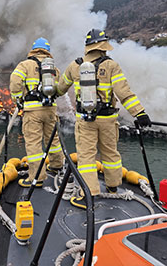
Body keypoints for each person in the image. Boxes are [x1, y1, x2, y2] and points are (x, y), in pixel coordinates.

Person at [57, 29, 151, 209]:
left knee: (86, 157)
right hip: (108, 119)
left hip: (85, 120)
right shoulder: (111, 66)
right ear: (103, 47)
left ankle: (89, 194)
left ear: (88, 47)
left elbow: (60, 89)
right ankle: (113, 186)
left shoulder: (74, 66)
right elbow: (124, 93)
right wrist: (139, 113)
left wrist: (47, 93)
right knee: (111, 154)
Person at [9, 37, 64, 188]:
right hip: (50, 109)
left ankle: (37, 177)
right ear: (47, 50)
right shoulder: (54, 68)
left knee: (34, 144)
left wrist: (17, 99)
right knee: (53, 140)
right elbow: (58, 89)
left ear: (34, 49)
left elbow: (15, 81)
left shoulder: (25, 65)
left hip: (32, 110)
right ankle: (57, 165)